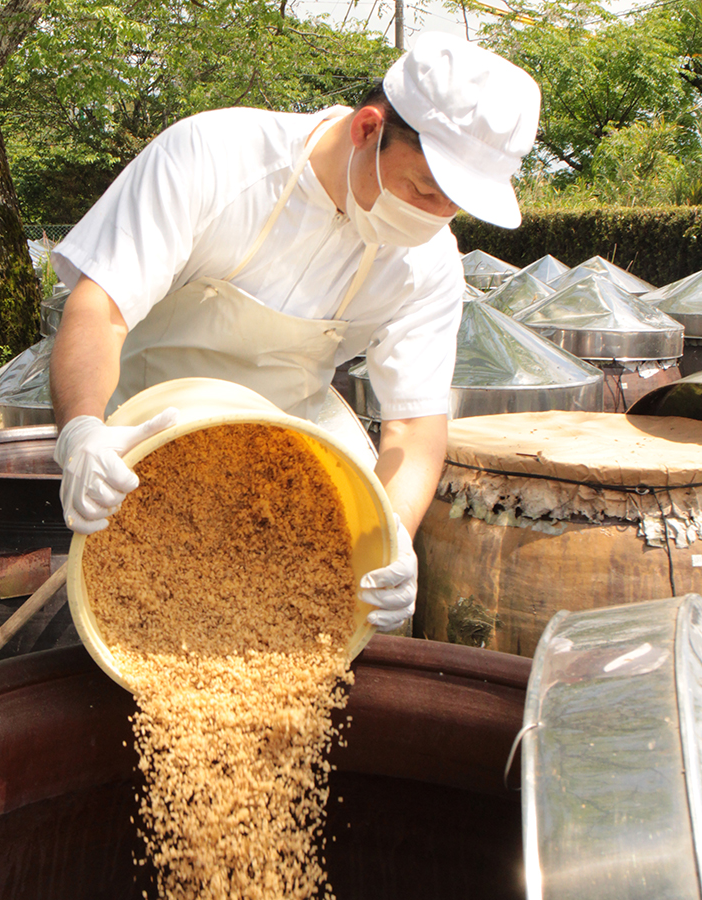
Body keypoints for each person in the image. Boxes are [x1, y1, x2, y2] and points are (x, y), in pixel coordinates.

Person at [50, 31, 541, 631]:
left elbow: (414, 425)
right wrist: (82, 431)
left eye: (453, 207)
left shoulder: (428, 264)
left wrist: (392, 535)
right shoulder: (214, 155)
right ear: (367, 130)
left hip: (288, 461)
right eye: (423, 190)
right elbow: (101, 306)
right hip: (142, 434)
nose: (434, 217)